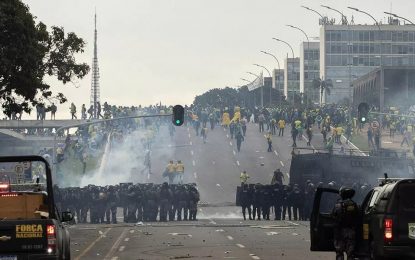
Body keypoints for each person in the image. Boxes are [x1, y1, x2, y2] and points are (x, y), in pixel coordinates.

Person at [332, 187, 359, 260]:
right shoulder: (354, 205)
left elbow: (333, 216)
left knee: (339, 252)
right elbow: (357, 217)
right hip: (351, 231)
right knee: (350, 253)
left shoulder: (338, 205)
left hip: (340, 231)